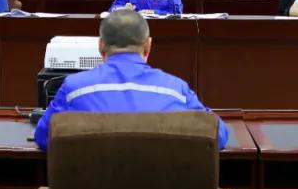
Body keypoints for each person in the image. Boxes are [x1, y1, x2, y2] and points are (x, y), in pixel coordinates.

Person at [34, 9, 228, 150]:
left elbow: (43, 136)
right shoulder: (176, 90)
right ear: (148, 46)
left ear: (101, 46)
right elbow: (218, 135)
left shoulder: (73, 88)